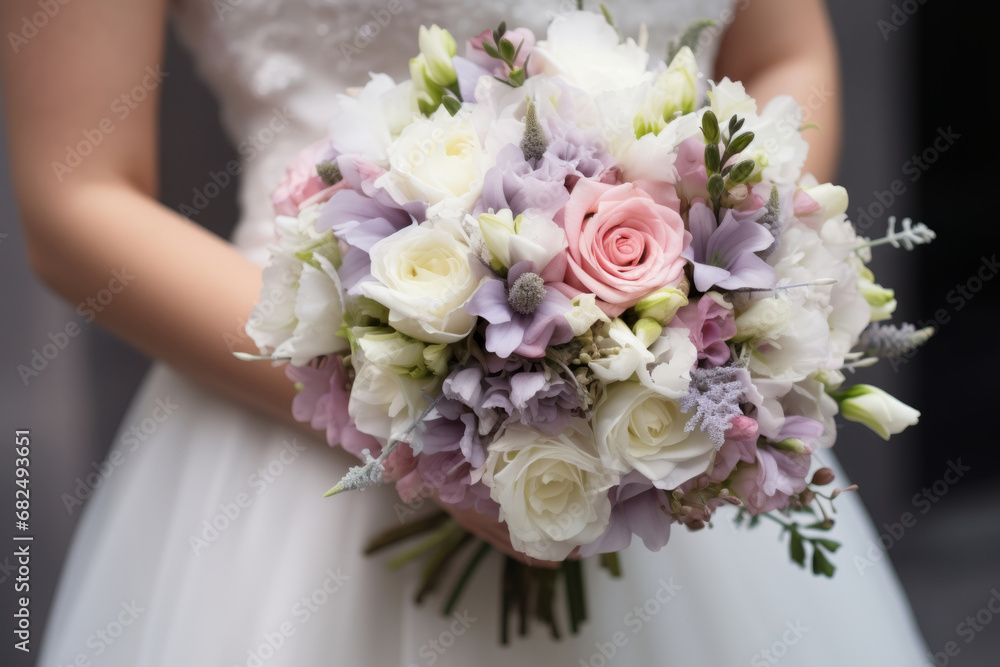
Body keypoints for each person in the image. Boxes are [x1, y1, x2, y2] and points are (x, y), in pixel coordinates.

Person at [1, 0, 928, 664]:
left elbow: (782, 55)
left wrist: (709, 296)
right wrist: (425, 417)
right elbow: (74, 199)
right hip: (291, 443)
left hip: (674, 423)